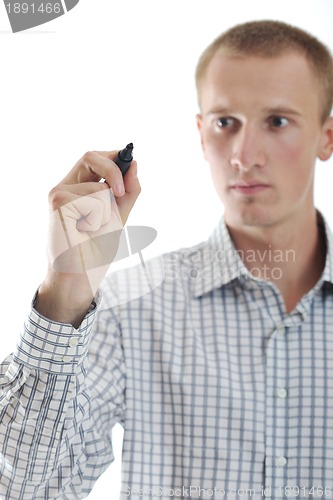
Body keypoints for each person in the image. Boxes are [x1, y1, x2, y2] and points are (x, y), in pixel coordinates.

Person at [1, 19, 333, 500]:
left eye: (277, 121)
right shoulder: (130, 309)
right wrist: (64, 295)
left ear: (327, 137)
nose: (244, 155)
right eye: (225, 123)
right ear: (201, 134)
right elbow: (19, 489)